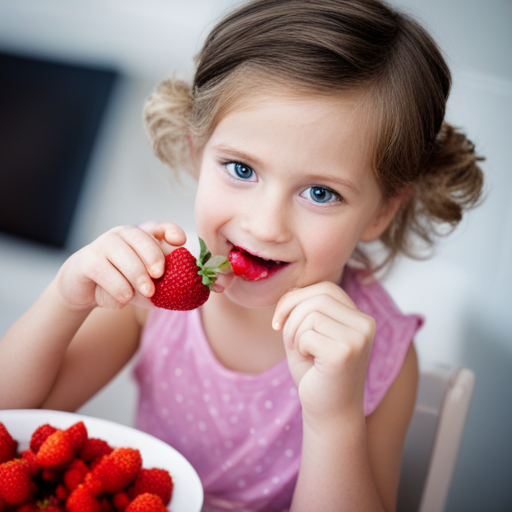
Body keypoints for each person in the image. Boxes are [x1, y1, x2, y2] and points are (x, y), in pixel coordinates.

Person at [0, 0, 484, 510]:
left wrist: (334, 417)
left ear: (382, 211)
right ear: (196, 151)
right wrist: (63, 298)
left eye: (320, 193)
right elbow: (12, 426)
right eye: (241, 169)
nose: (264, 225)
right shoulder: (155, 280)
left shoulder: (380, 353)